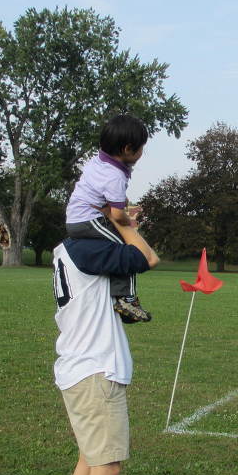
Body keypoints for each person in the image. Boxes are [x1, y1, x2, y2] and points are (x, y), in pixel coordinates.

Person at [51, 214, 159, 475]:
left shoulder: (71, 248)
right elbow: (147, 257)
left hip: (80, 369)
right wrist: (125, 222)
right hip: (95, 372)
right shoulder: (87, 249)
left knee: (89, 459)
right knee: (106, 466)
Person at [65, 114, 151, 323]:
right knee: (129, 250)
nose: (142, 152)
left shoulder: (99, 162)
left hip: (77, 219)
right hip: (89, 220)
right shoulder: (115, 175)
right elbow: (117, 214)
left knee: (118, 250)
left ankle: (122, 295)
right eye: (141, 148)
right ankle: (126, 299)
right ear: (127, 149)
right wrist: (129, 223)